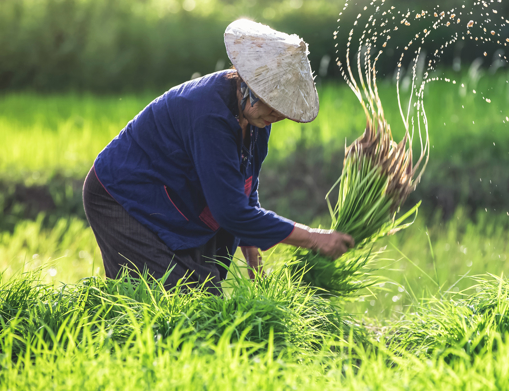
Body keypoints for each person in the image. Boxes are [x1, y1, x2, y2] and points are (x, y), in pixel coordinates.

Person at [82, 18, 354, 293]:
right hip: (123, 195)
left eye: (282, 107)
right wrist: (313, 238)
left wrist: (253, 256)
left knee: (204, 295)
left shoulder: (256, 118)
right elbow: (231, 213)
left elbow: (244, 186)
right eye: (273, 103)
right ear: (248, 84)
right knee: (174, 300)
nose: (277, 114)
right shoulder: (210, 116)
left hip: (174, 195)